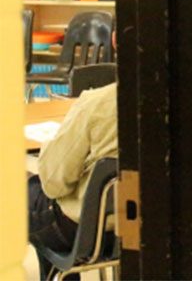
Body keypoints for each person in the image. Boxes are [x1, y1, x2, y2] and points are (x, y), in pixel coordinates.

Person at [28, 82, 117, 281]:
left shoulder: (97, 104)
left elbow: (53, 183)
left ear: (114, 48)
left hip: (86, 233)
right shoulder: (187, 99)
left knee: (24, 196)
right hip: (146, 228)